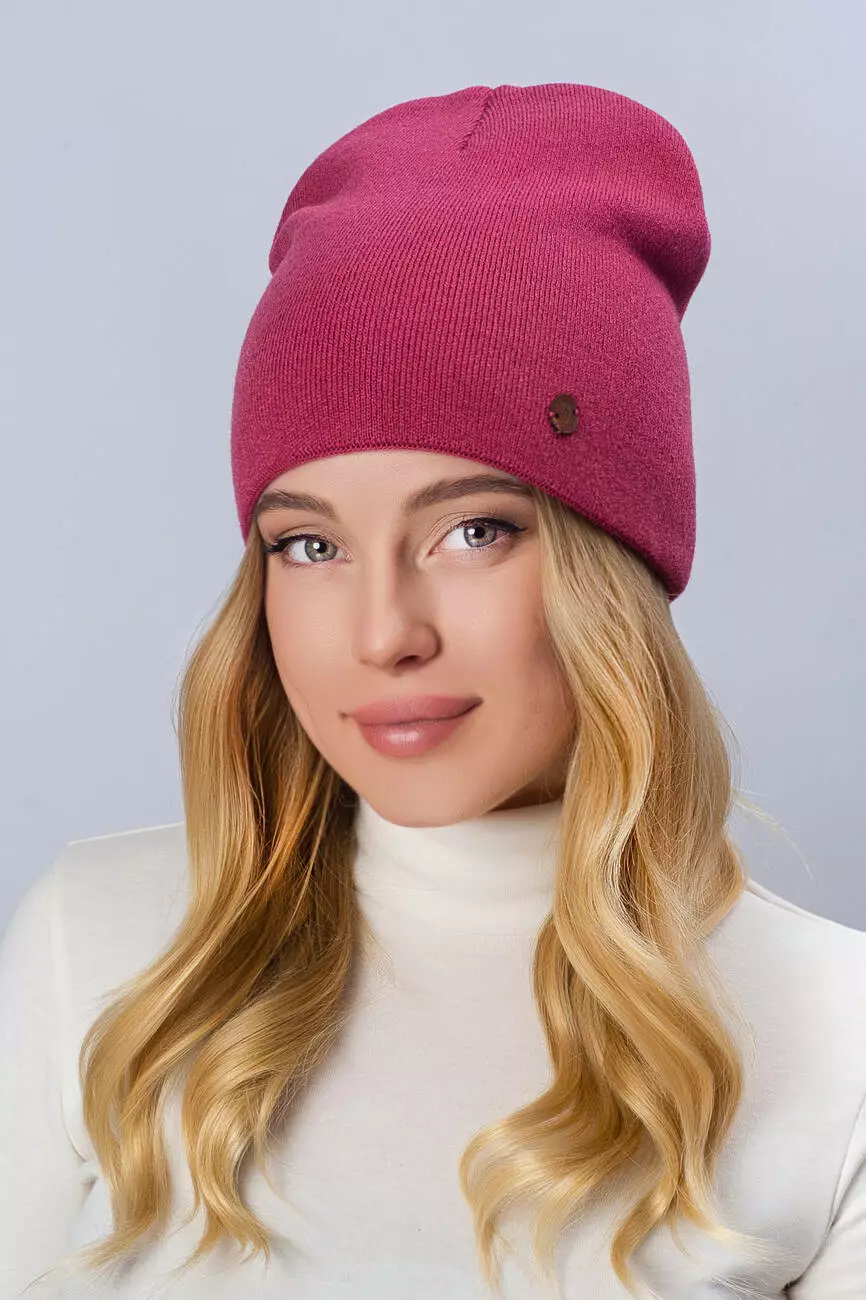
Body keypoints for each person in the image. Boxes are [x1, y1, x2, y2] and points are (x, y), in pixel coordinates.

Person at [1, 81, 864, 1300]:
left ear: (612, 568)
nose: (382, 633)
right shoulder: (96, 947)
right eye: (309, 544)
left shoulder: (836, 1035)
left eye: (472, 531)